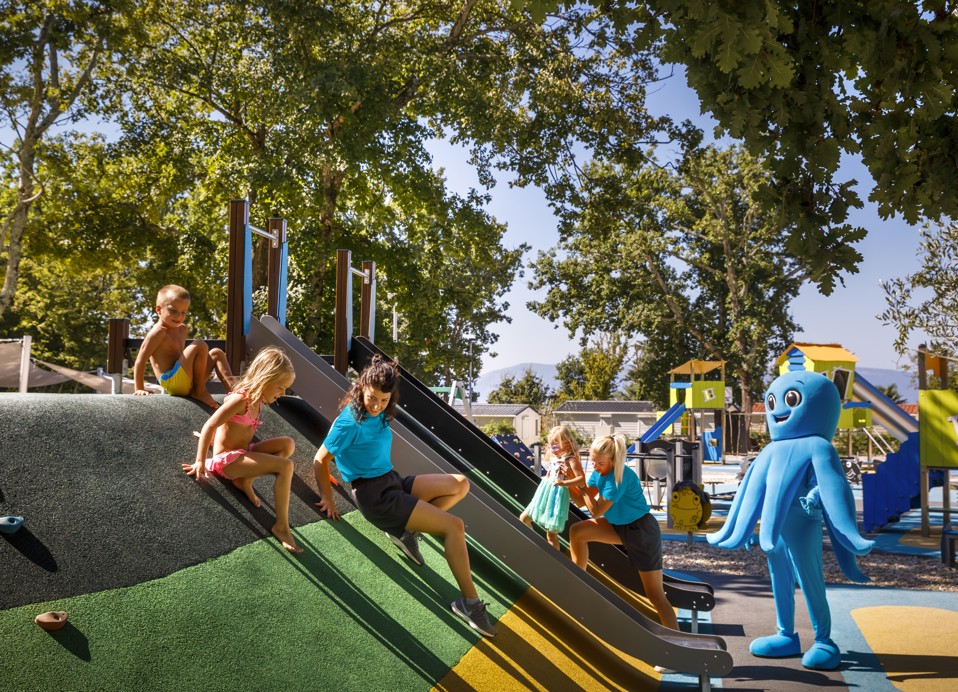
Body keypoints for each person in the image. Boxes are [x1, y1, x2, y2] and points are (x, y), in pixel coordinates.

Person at [313, 355, 496, 637]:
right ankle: (470, 605)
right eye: (372, 398)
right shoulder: (349, 421)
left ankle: (406, 531)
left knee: (460, 484)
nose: (377, 405)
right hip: (375, 497)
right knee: (454, 526)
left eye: (384, 400)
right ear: (361, 388)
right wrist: (327, 497)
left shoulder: (382, 413)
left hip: (392, 481)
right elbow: (320, 459)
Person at [184, 346, 302, 554]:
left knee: (288, 444)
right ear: (265, 379)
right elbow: (211, 424)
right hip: (226, 461)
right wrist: (200, 460)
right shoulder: (241, 400)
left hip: (243, 452)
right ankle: (282, 527)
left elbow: (230, 429)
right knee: (286, 466)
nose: (282, 394)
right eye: (280, 387)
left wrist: (215, 439)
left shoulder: (258, 399)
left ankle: (245, 480)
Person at [569, 434, 678, 633]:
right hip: (618, 526)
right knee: (578, 531)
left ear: (613, 459)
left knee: (655, 595)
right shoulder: (599, 473)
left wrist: (581, 485)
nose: (595, 466)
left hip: (641, 531)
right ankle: (578, 579)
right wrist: (566, 481)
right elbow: (581, 501)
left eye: (600, 463)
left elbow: (596, 511)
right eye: (592, 461)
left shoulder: (619, 477)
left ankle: (678, 641)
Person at [133, 284, 233, 407]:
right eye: (173, 311)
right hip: (171, 381)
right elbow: (140, 360)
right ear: (159, 309)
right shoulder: (158, 332)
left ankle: (235, 392)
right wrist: (139, 388)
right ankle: (199, 391)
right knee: (199, 344)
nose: (179, 316)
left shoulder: (182, 329)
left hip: (186, 379)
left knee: (217, 353)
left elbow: (185, 358)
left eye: (183, 312)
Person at [520, 425, 583, 549]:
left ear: (567, 444)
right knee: (524, 518)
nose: (553, 449)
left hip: (556, 495)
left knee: (551, 535)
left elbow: (581, 479)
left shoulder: (571, 460)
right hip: (545, 492)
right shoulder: (557, 457)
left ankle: (552, 557)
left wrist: (564, 483)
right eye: (550, 446)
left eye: (555, 446)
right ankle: (536, 547)